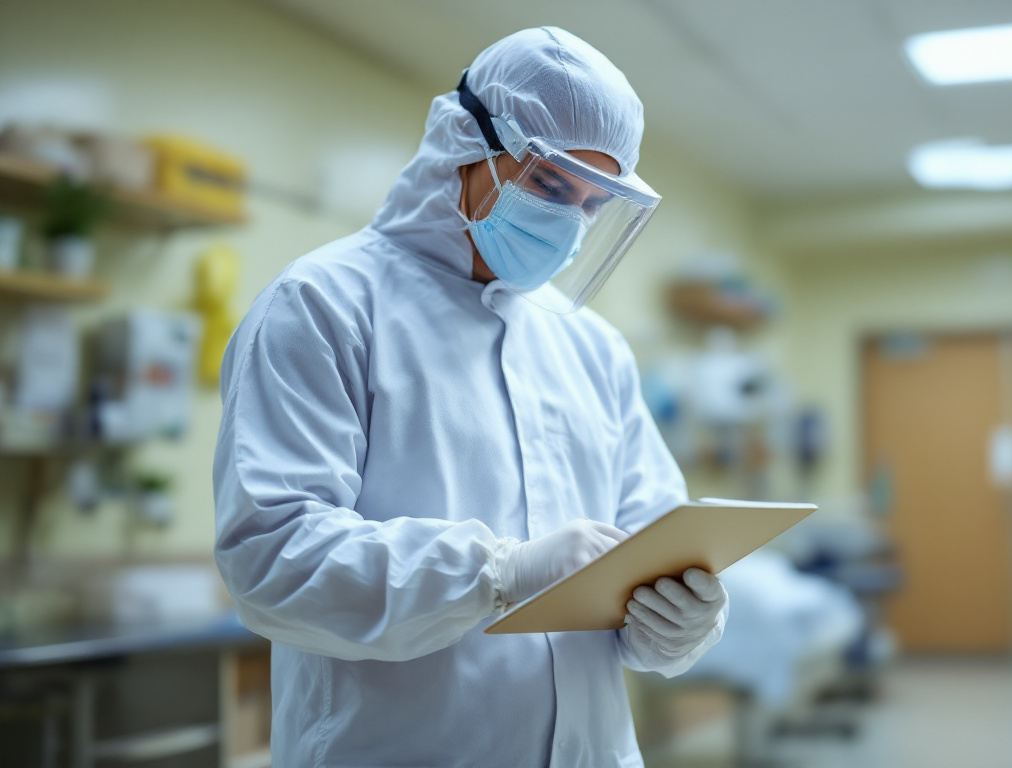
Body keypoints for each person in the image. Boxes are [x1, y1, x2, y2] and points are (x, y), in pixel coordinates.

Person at [213, 27, 727, 767]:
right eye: (551, 185)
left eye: (593, 204)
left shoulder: (593, 347)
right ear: (465, 141)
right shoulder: (324, 305)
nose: (568, 224)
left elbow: (653, 540)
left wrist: (677, 621)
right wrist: (500, 575)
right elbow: (273, 561)